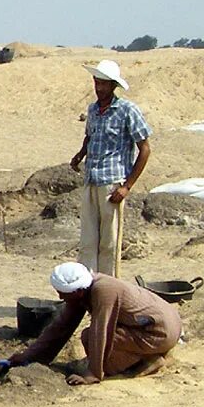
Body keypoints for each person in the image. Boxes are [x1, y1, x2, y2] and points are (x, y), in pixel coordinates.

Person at [4, 262, 181, 386]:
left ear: (78, 291)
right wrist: (29, 356)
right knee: (93, 340)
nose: (60, 298)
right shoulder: (84, 291)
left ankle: (149, 360)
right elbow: (61, 327)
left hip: (159, 332)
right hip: (154, 326)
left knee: (90, 338)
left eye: (63, 293)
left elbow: (101, 331)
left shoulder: (103, 291)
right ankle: (144, 354)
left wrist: (94, 373)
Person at [71, 60, 151, 276]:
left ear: (113, 86)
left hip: (112, 183)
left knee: (109, 242)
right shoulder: (93, 110)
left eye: (104, 84)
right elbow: (90, 136)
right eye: (97, 83)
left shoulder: (127, 111)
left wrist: (127, 186)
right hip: (91, 179)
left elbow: (144, 149)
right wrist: (80, 154)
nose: (99, 88)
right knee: (88, 240)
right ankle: (86, 290)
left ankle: (108, 290)